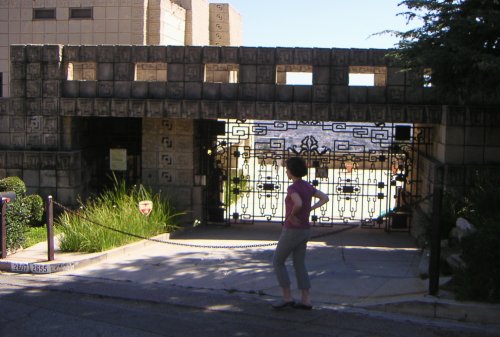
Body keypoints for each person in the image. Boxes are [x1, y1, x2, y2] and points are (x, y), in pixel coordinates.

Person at [272, 156, 329, 310]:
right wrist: (310, 209)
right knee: (299, 264)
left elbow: (298, 203)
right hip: (305, 229)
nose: (286, 171)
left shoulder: (293, 188)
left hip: (292, 229)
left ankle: (287, 296)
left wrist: (291, 215)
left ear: (291, 171)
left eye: (287, 169)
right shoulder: (307, 186)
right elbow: (325, 198)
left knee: (278, 261)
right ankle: (306, 299)